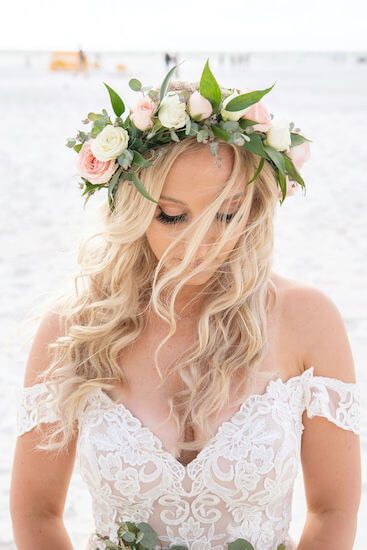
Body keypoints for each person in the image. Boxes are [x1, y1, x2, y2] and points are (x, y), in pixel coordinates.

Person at [10, 71, 361, 550]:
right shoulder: (73, 330)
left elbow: (333, 510)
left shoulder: (306, 320)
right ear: (132, 206)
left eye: (228, 212)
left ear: (253, 206)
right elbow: (36, 513)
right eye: (173, 215)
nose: (203, 242)